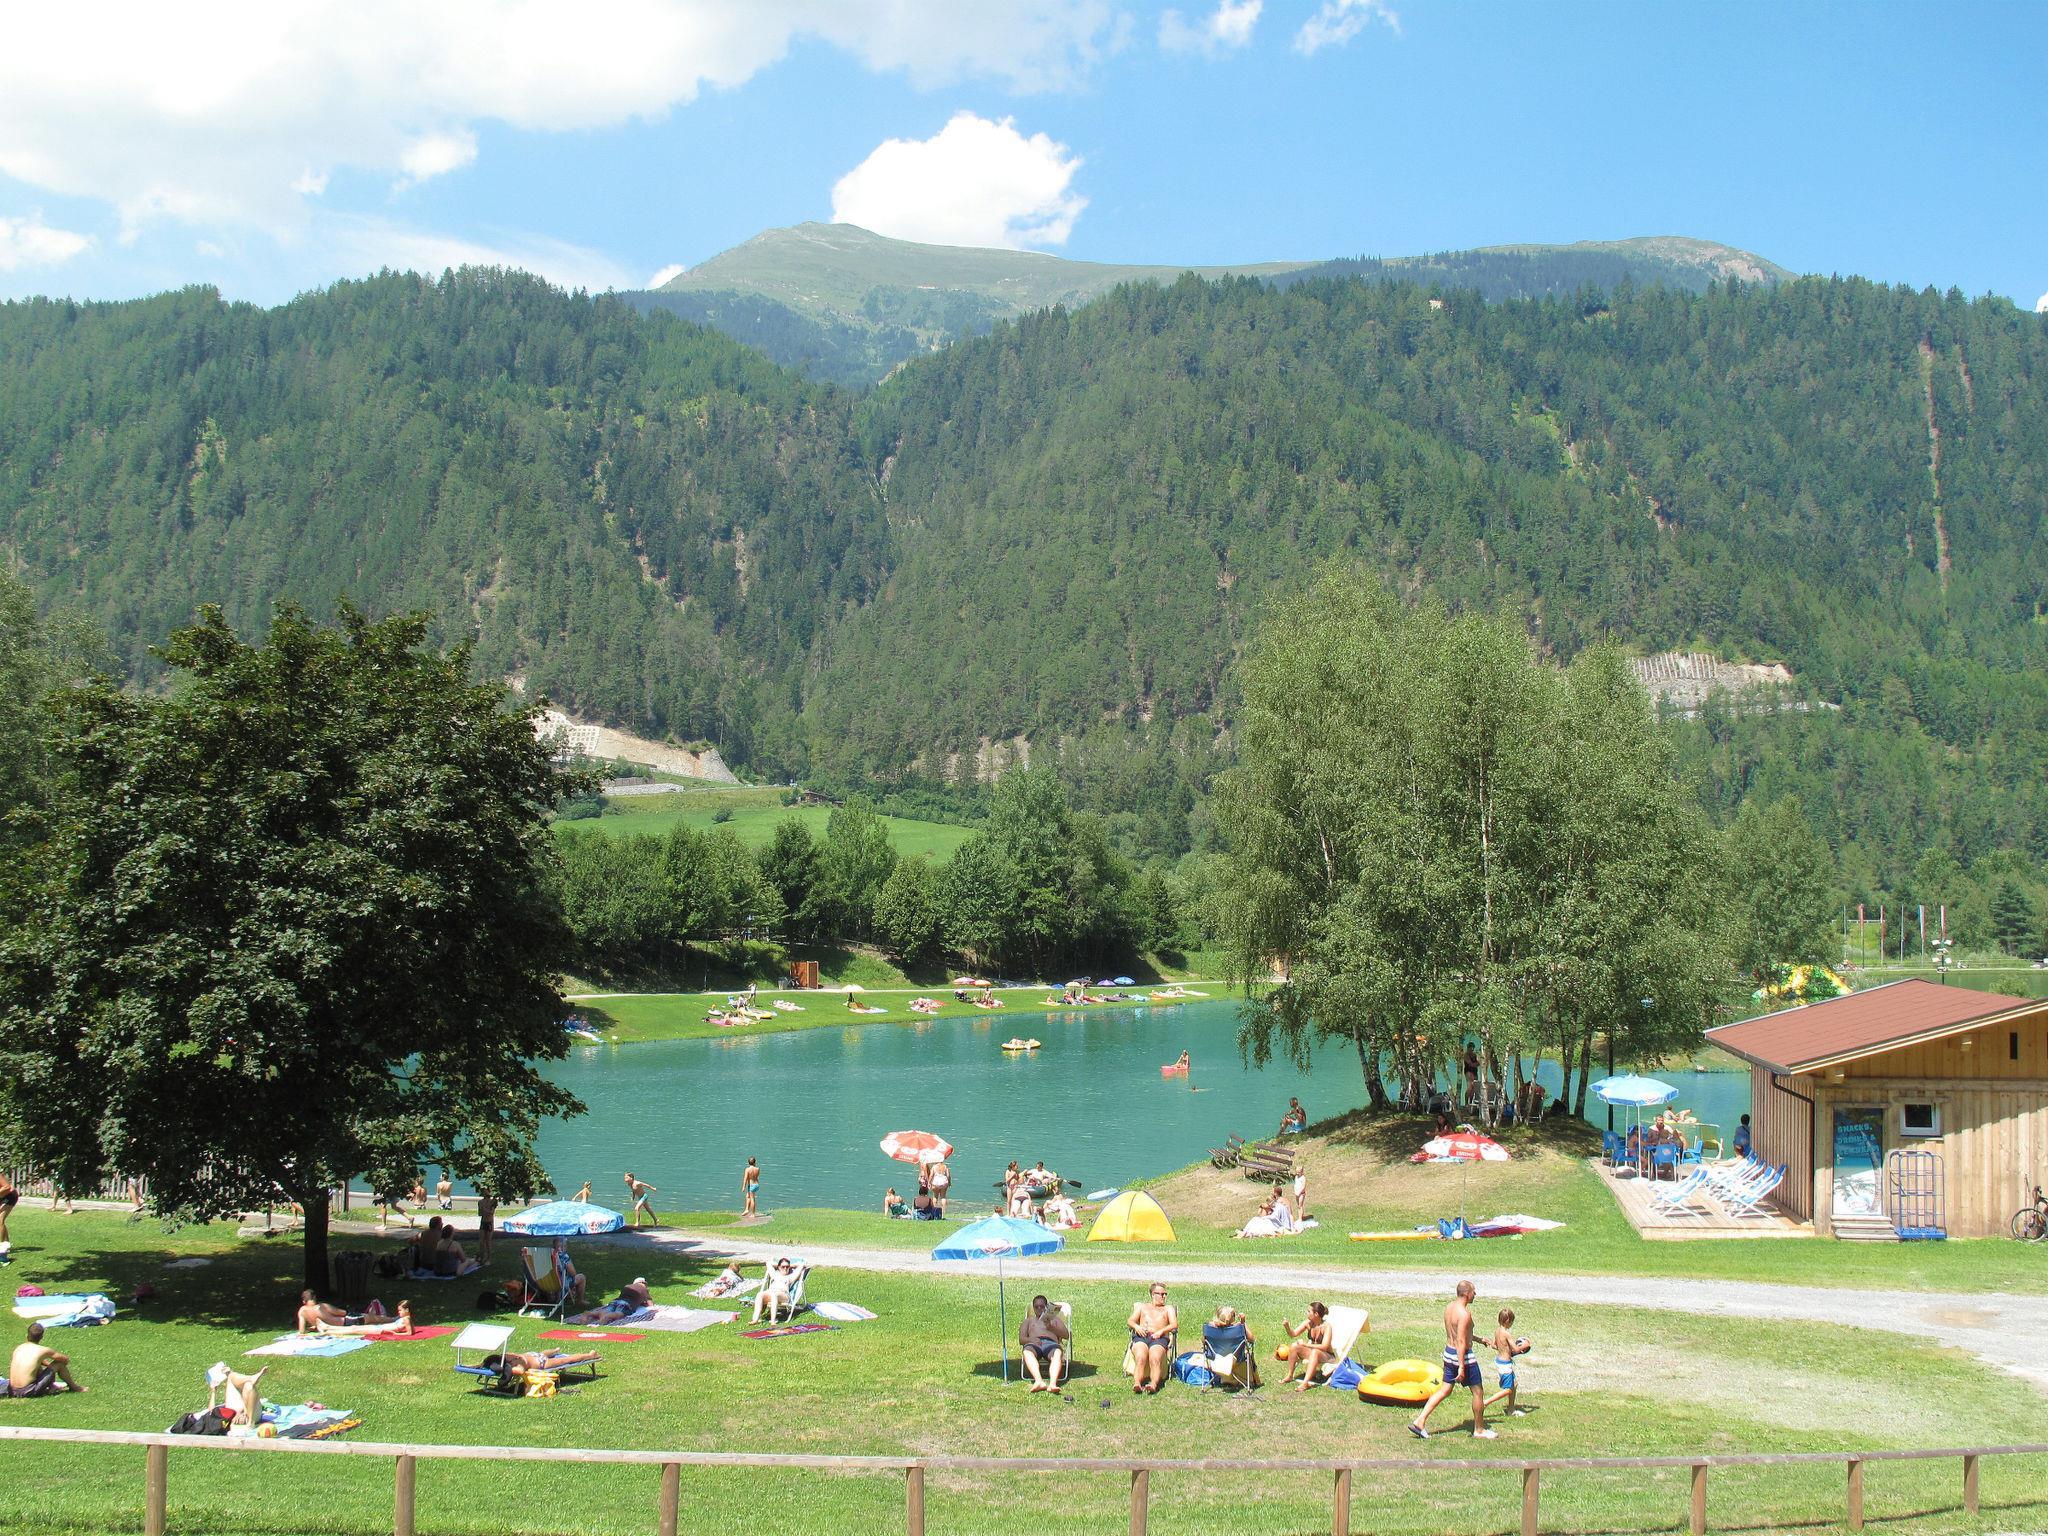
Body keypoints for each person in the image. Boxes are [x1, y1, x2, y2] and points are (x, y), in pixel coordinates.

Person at [1410, 1280, 1490, 1439]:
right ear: (1466, 1293)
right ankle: (1479, 1430)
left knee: (1445, 1390)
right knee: (1478, 1392)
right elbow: (1461, 1341)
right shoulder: (1464, 1314)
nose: (1475, 1294)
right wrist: (1461, 1367)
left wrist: (1480, 1340)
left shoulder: (1449, 1308)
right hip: (1463, 1357)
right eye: (1473, 1291)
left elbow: (1459, 1334)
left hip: (1449, 1353)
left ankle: (1420, 1421)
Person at [1126, 1282, 1177, 1395]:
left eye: (1165, 1294)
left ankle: (1153, 1384)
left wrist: (1161, 1331)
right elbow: (1130, 1321)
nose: (1164, 1297)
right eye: (1161, 1294)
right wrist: (1137, 1327)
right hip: (1141, 1336)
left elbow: (1174, 1324)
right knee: (1140, 1357)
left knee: (1155, 1358)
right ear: (1153, 1294)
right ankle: (1137, 1383)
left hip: (1159, 1338)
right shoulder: (1142, 1307)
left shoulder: (1168, 1309)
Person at [7, 1322, 83, 1396]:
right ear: (41, 1337)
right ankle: (75, 1388)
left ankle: (51, 1387)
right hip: (29, 1391)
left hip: (11, 1390)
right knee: (59, 1364)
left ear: (27, 1335)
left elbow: (34, 1361)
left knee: (37, 1365)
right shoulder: (43, 1350)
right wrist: (52, 1367)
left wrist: (48, 1366)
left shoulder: (19, 1348)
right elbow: (65, 1360)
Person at [1482, 1308, 1532, 1418]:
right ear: (1508, 1321)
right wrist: (1525, 1345)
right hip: (1505, 1365)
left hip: (1500, 1361)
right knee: (1508, 1390)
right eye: (1512, 1322)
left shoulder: (1497, 1331)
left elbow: (1495, 1346)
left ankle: (1511, 1410)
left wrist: (1490, 1342)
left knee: (1514, 1384)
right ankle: (1485, 1402)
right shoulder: (1506, 1334)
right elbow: (1515, 1349)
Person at [1018, 1294, 1070, 1393]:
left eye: (1041, 1306)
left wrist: (1052, 1328)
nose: (1039, 1308)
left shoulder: (1055, 1320)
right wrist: (1031, 1340)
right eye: (1036, 1306)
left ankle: (1053, 1384)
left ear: (1046, 1307)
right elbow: (1021, 1339)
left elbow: (1066, 1335)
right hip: (1034, 1344)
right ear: (1033, 1308)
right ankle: (1038, 1381)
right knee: (1027, 1352)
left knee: (1057, 1353)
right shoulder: (1028, 1321)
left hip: (1050, 1344)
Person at [1201, 1305, 1259, 1388]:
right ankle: (1239, 1379)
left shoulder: (1210, 1328)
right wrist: (1243, 1323)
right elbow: (1252, 1339)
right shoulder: (1238, 1328)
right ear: (1231, 1318)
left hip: (1215, 1358)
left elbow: (1204, 1341)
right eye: (1234, 1315)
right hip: (1235, 1359)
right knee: (1246, 1352)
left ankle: (1222, 1378)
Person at [1279, 1302, 1333, 1390]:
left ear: (1316, 1314)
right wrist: (1287, 1326)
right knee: (1294, 1346)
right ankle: (1290, 1375)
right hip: (1314, 1353)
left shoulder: (1327, 1326)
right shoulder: (1308, 1323)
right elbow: (1293, 1334)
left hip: (1327, 1356)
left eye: (1309, 1311)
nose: (1306, 1313)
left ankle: (1305, 1383)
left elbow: (1325, 1346)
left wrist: (1305, 1344)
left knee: (1315, 1352)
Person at [751, 1258, 802, 1324]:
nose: (785, 1268)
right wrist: (779, 1265)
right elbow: (768, 1263)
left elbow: (802, 1264)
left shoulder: (791, 1277)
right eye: (783, 1267)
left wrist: (790, 1266)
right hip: (770, 1292)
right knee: (760, 1294)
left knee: (774, 1295)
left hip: (783, 1295)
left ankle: (773, 1321)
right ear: (779, 1267)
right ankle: (755, 1319)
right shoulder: (774, 1275)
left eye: (787, 1267)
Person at [475, 1191, 496, 1265]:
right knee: (481, 1242)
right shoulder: (480, 1202)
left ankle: (488, 1259)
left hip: (489, 1223)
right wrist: (486, 1211)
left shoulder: (493, 1202)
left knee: (488, 1242)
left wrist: (484, 1210)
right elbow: (480, 1213)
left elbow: (491, 1212)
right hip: (483, 1222)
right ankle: (482, 1257)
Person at [0, 1168, 15, 1252]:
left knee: (0, 1220)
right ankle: (6, 1245)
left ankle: (2, 1248)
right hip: (2, 1197)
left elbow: (7, 1187)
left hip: (10, 1196)